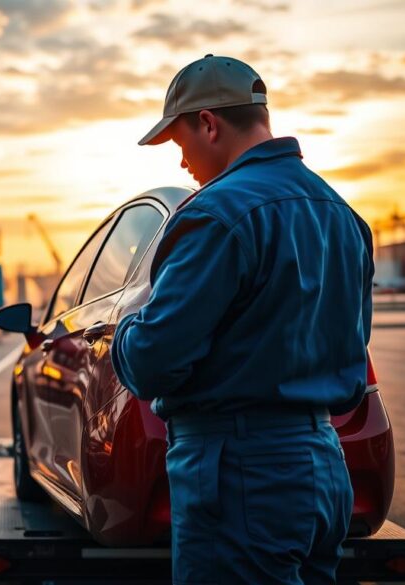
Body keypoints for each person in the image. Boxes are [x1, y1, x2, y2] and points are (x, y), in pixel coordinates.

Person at [110, 54, 373, 584]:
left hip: (241, 475)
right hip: (324, 464)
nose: (183, 163)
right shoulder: (342, 214)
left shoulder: (216, 214)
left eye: (181, 144)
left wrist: (125, 332)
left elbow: (152, 364)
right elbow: (353, 350)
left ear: (208, 123)